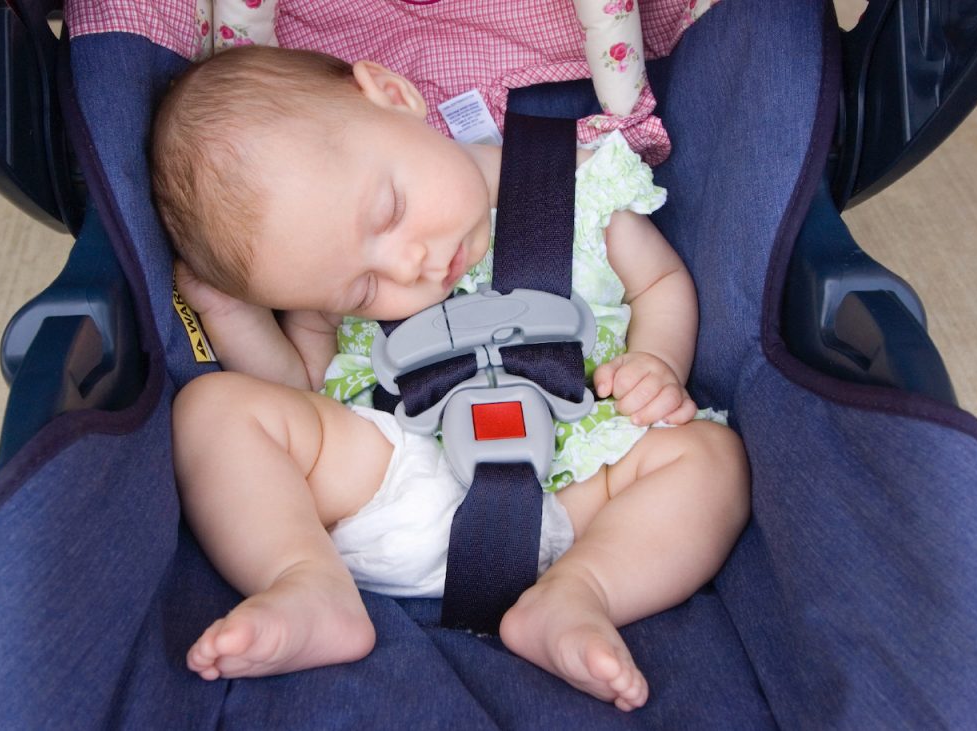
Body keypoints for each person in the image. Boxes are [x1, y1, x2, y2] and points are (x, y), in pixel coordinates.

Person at [151, 45, 750, 712]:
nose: (408, 267)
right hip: (398, 481)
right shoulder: (324, 285)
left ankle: (581, 593)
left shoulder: (576, 183)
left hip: (583, 487)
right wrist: (232, 316)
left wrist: (656, 361)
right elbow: (300, 388)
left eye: (386, 212)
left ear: (392, 94)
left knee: (711, 458)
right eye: (363, 286)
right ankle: (304, 580)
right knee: (212, 409)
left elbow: (661, 282)